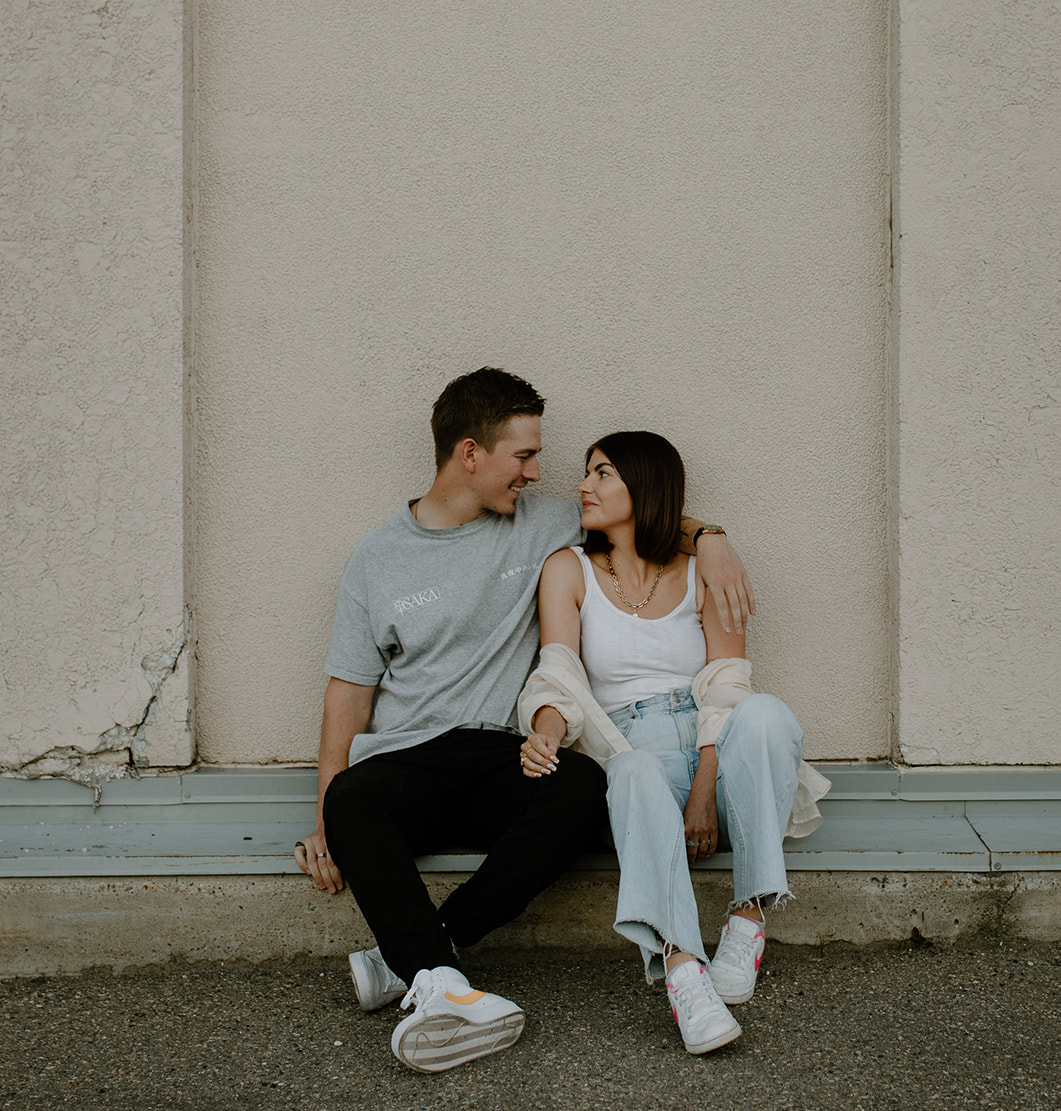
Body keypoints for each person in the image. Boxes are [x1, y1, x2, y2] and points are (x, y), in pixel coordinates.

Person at [294, 370, 756, 1074]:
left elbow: (646, 515)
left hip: (504, 759)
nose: (537, 473)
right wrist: (325, 813)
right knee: (351, 797)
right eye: (524, 456)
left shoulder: (544, 524)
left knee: (583, 787)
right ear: (470, 453)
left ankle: (422, 965)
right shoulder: (376, 560)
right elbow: (348, 696)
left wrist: (712, 538)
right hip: (410, 762)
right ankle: (441, 981)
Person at [517, 431, 828, 1056]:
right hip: (634, 747)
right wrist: (545, 729)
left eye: (602, 473)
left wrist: (705, 792)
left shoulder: (698, 573)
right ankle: (685, 973)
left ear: (644, 486)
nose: (583, 485)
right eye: (587, 472)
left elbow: (727, 683)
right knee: (632, 772)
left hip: (714, 749)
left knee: (765, 713)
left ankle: (748, 921)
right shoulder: (568, 569)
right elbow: (558, 672)